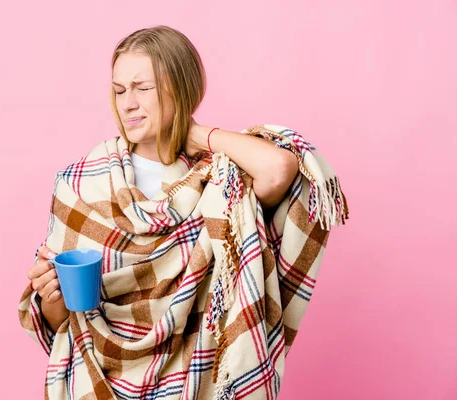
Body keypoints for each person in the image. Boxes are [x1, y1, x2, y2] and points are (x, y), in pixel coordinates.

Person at [19, 25, 348, 400]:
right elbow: (61, 322)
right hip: (97, 382)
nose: (127, 103)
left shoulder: (220, 180)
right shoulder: (80, 184)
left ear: (181, 88)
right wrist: (51, 296)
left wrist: (196, 135)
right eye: (119, 90)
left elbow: (279, 170)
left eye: (143, 88)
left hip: (195, 383)